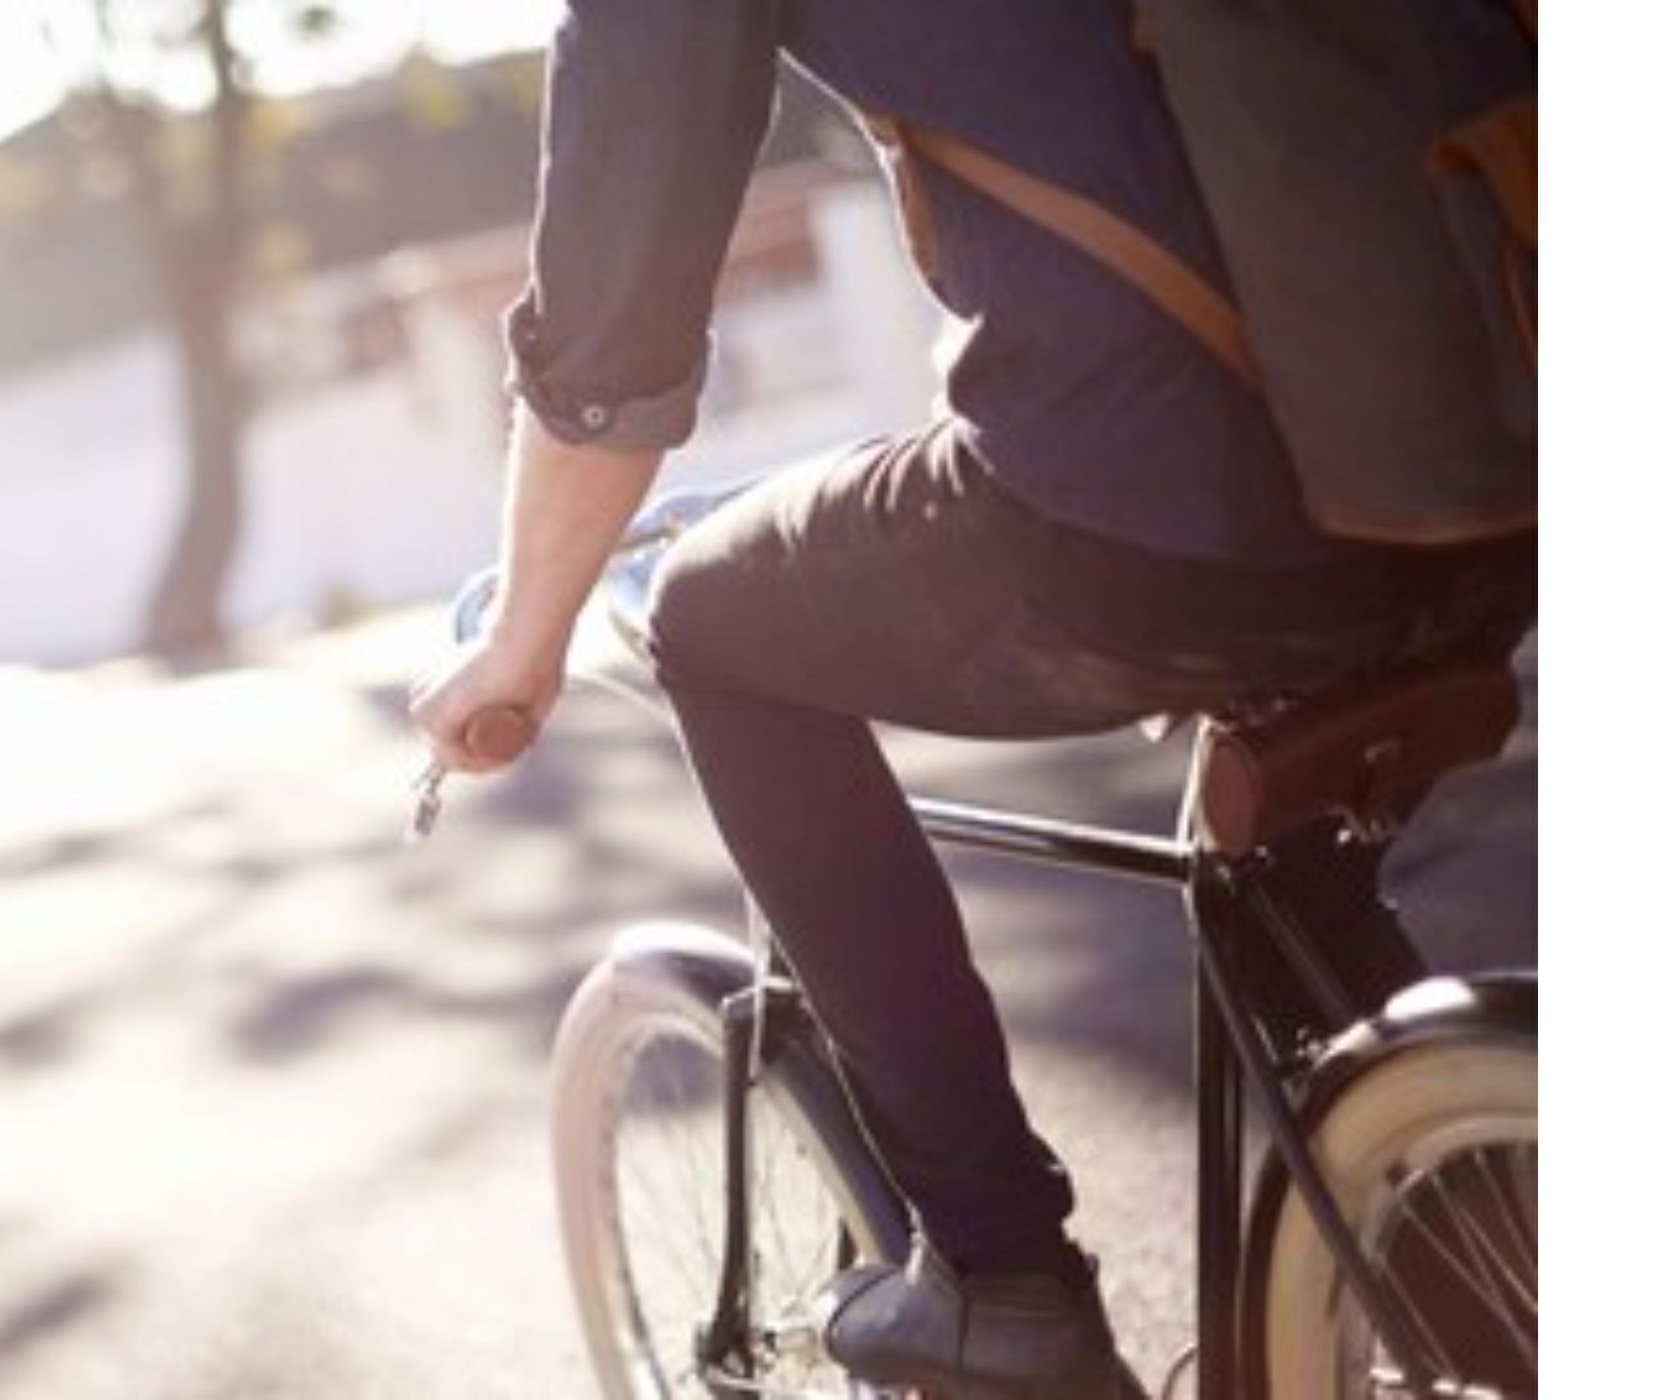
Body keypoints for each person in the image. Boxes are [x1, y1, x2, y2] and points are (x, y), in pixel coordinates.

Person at [406, 2, 1533, 1396]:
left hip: (1170, 499)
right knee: (1280, 791)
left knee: (712, 622)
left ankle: (1001, 1279)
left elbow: (611, 327)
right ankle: (1482, 1244)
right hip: (1493, 459)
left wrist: (523, 638)